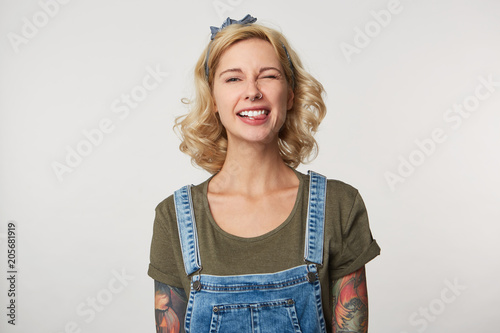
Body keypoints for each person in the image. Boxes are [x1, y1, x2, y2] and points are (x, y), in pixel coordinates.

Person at [148, 14, 380, 333]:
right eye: (233, 78)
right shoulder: (173, 219)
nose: (253, 91)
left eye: (268, 76)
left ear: (291, 93)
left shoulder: (339, 207)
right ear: (213, 99)